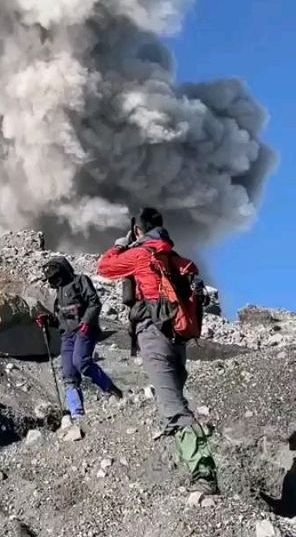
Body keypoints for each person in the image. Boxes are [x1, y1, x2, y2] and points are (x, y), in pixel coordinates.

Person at [98, 207, 218, 494]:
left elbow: (104, 267)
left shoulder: (140, 255)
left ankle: (204, 475)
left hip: (153, 334)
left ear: (138, 230)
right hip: (178, 340)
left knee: (173, 408)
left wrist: (120, 244)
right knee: (175, 400)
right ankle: (189, 465)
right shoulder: (177, 260)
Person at [38, 257, 123, 421]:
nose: (52, 281)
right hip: (67, 336)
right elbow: (60, 320)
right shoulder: (59, 293)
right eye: (50, 279)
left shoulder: (80, 281)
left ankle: (111, 389)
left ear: (63, 272)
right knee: (69, 373)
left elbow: (94, 303)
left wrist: (86, 321)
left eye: (54, 277)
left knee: (81, 362)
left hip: (84, 330)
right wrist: (48, 320)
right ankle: (76, 413)